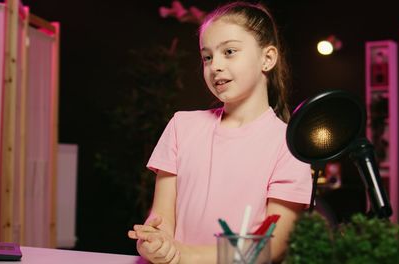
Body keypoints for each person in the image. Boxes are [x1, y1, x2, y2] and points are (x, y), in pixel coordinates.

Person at [128, 2, 312, 263]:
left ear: (267, 58)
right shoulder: (181, 126)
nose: (215, 66)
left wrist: (182, 254)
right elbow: (162, 218)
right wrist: (155, 242)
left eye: (229, 51)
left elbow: (270, 247)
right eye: (207, 57)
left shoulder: (290, 145)